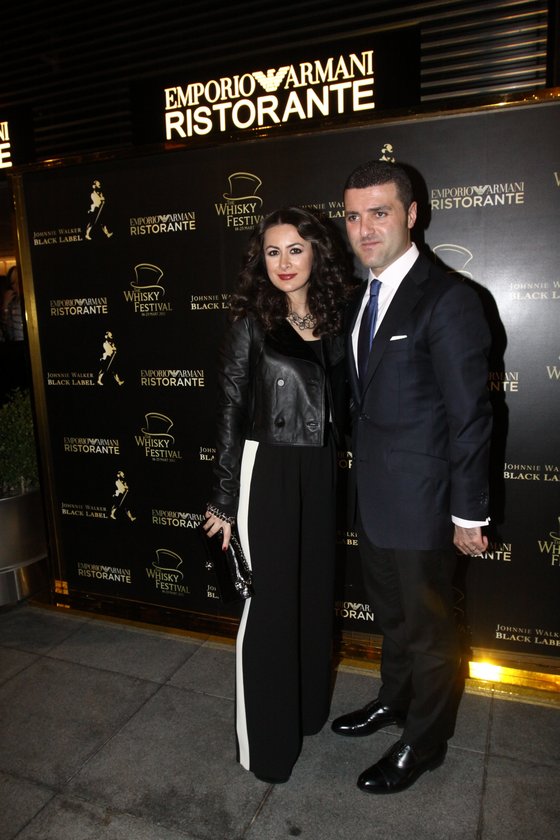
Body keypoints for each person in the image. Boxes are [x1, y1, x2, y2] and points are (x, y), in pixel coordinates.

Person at [331, 160, 492, 794]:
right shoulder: (359, 299)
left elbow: (469, 415)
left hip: (426, 505)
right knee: (393, 619)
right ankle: (394, 702)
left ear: (412, 215)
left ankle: (424, 744)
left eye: (380, 213)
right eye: (354, 216)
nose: (365, 229)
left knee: (428, 634)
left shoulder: (448, 299)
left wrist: (468, 512)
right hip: (374, 498)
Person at [203, 206, 351, 784]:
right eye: (272, 251)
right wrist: (222, 500)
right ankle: (265, 747)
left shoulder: (333, 317)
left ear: (316, 252)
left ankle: (306, 714)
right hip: (266, 469)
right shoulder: (251, 322)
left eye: (295, 249)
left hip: (319, 469)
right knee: (267, 607)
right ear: (259, 260)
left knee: (312, 594)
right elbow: (229, 409)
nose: (284, 263)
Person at [1, 266, 24, 341]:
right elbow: (7, 331)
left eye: (19, 280)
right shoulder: (12, 304)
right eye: (14, 282)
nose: (18, 284)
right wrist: (5, 305)